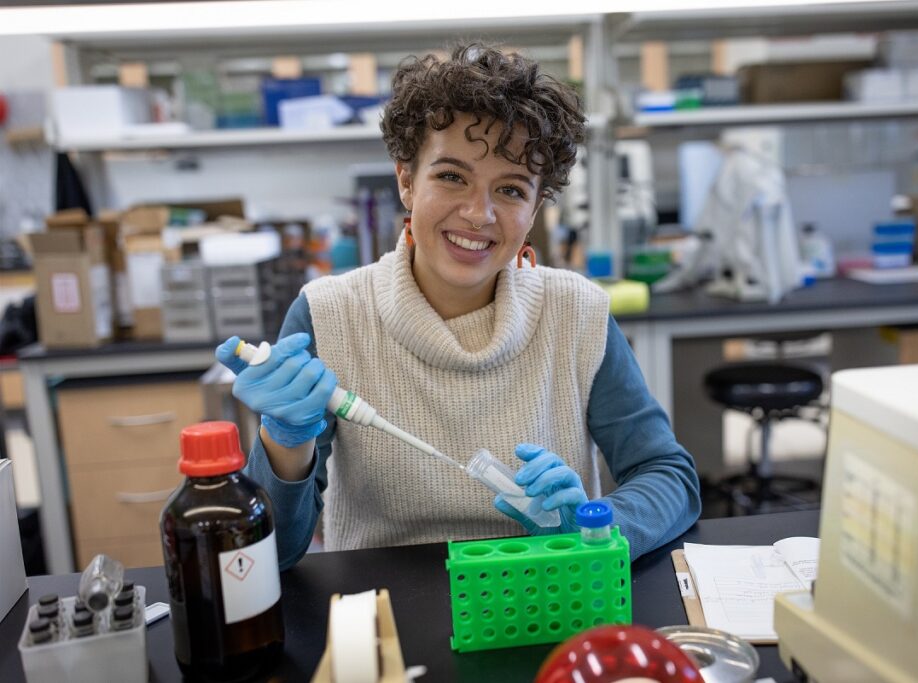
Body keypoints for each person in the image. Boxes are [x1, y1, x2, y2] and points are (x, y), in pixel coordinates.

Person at [216, 43, 700, 570]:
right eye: (451, 177)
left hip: (546, 597)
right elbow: (272, 556)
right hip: (386, 616)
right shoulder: (329, 316)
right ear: (406, 180)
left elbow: (668, 476)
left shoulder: (576, 313)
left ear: (536, 206)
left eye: (511, 190)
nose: (479, 213)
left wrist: (596, 525)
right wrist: (284, 446)